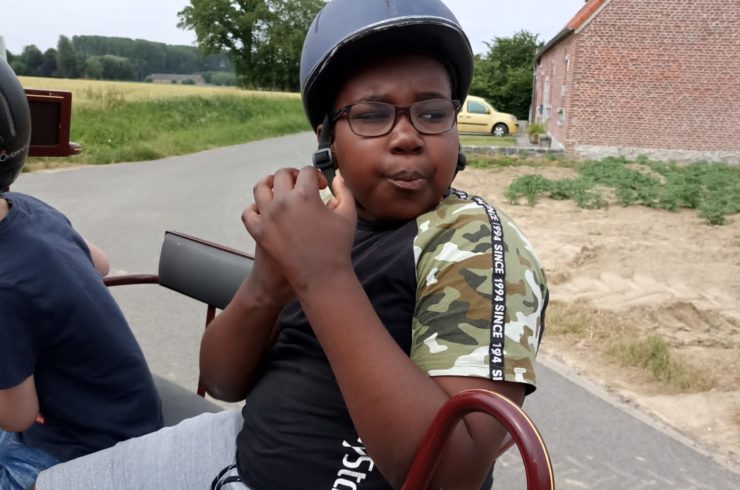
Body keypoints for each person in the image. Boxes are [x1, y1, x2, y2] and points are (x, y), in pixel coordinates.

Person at [35, 0, 548, 488]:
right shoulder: (318, 220)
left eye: (432, 113)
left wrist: (322, 276)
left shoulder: (470, 241)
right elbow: (222, 381)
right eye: (372, 114)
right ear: (327, 140)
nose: (407, 136)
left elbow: (449, 475)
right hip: (236, 449)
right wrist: (268, 280)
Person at [0, 59, 164, 490]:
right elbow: (100, 264)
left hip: (83, 450)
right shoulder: (28, 209)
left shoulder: (4, 288)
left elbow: (16, 416)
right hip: (126, 412)